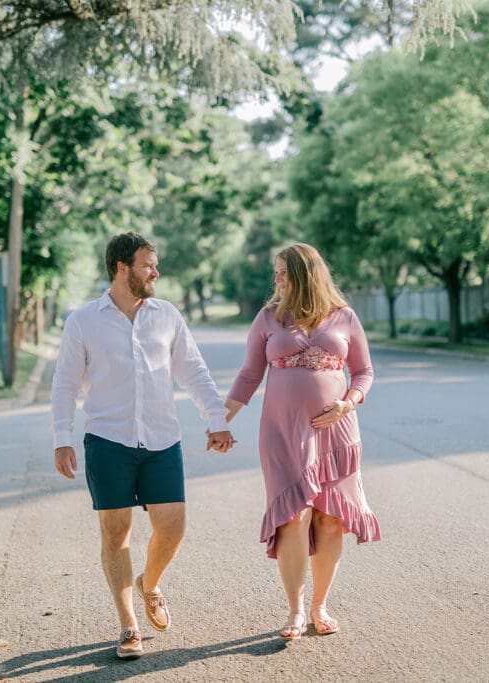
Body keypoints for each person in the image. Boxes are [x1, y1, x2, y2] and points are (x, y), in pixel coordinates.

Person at [51, 232, 235, 660]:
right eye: (148, 264)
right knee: (116, 534)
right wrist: (62, 438)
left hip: (161, 439)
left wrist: (217, 419)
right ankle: (128, 625)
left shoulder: (166, 315)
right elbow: (65, 384)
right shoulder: (83, 321)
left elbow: (193, 372)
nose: (156, 271)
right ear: (121, 267)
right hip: (107, 441)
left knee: (172, 527)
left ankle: (149, 584)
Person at [224, 242, 381, 640]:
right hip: (282, 432)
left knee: (330, 520)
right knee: (293, 515)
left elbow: (363, 372)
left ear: (305, 275)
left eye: (282, 272)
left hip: (337, 431)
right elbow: (248, 376)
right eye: (275, 272)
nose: (276, 280)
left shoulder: (344, 316)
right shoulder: (267, 318)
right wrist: (218, 420)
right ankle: (295, 611)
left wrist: (348, 403)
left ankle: (319, 605)